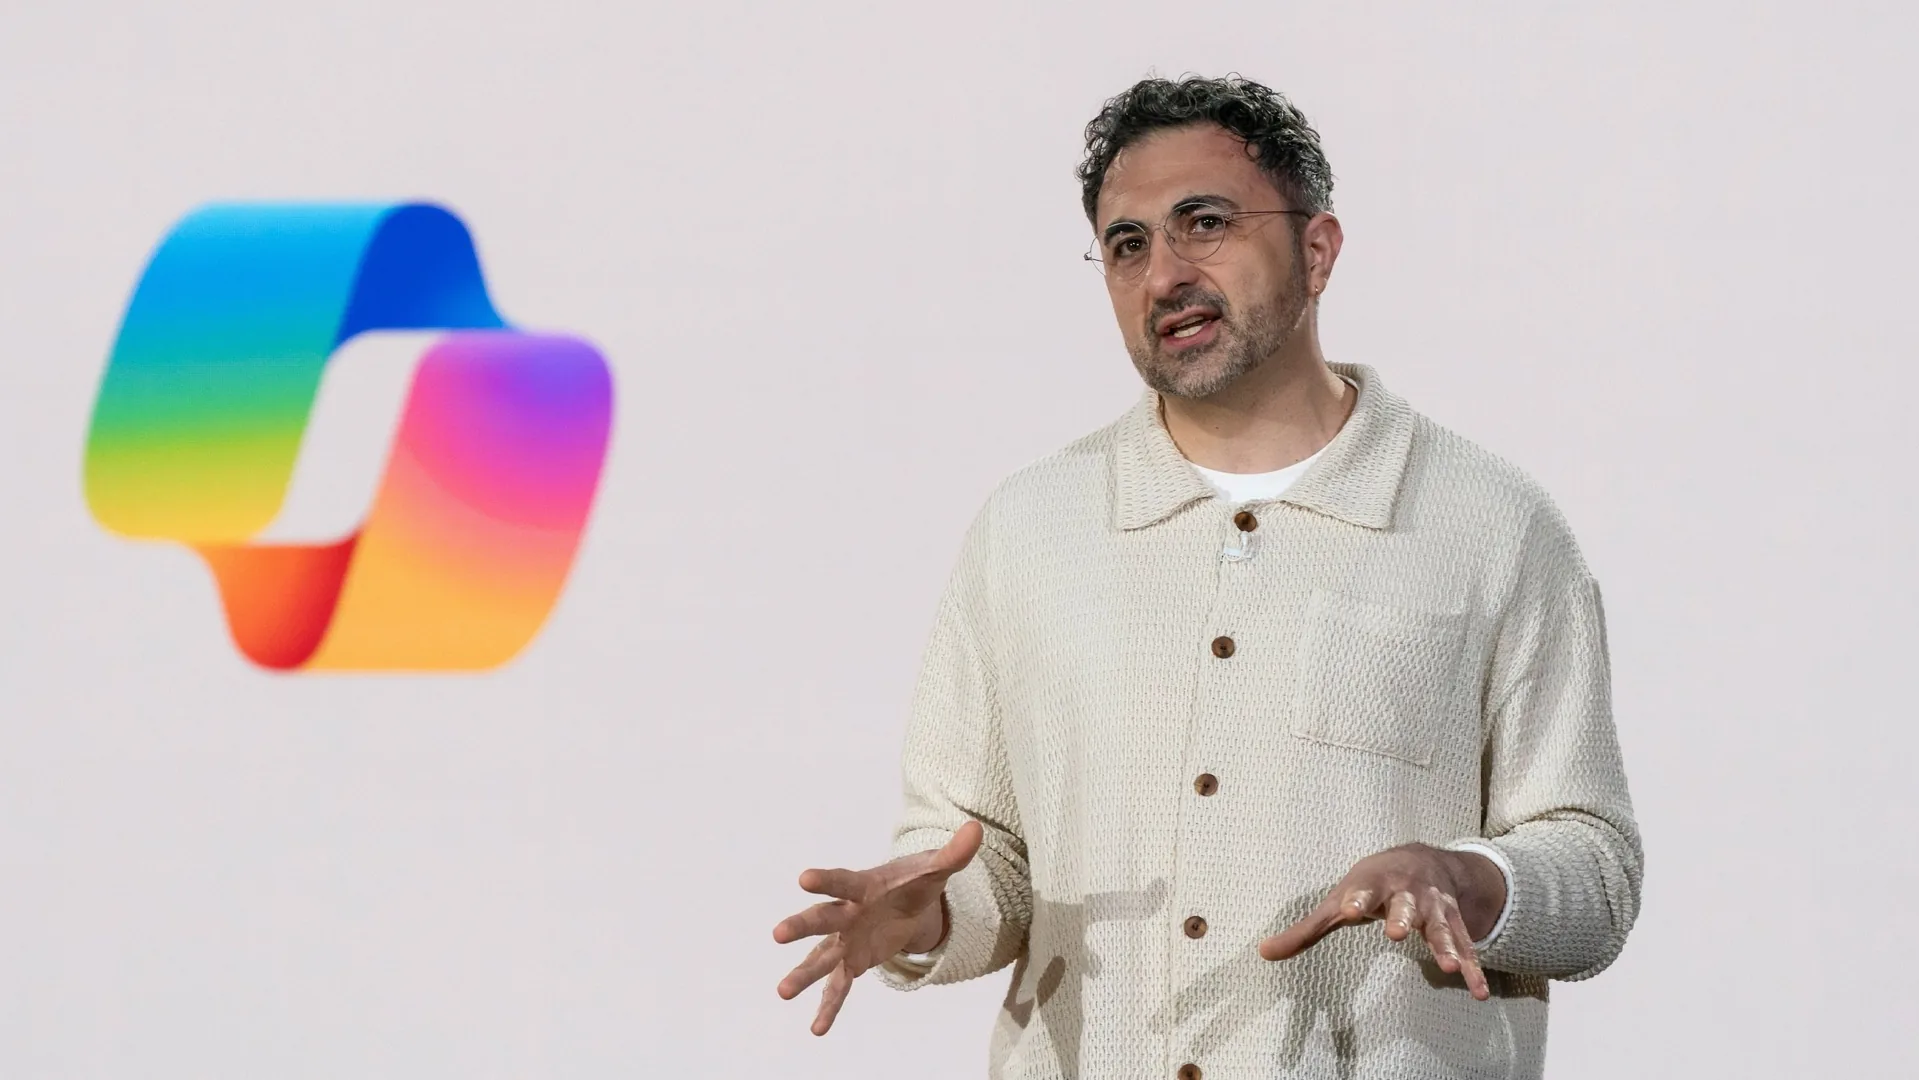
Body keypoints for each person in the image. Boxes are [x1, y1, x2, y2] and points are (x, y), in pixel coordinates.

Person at [772, 74, 1641, 1080]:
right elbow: (984, 860)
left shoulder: (1490, 526)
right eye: (1126, 245)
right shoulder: (1029, 530)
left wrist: (1466, 876)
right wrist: (925, 916)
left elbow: (1596, 874)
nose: (1163, 275)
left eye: (1204, 224)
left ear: (1317, 251)